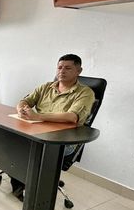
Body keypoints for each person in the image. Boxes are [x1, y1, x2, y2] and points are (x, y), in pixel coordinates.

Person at [12, 53, 95, 200]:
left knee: (24, 147)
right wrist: (21, 109)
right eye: (59, 67)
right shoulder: (45, 87)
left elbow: (72, 116)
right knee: (10, 139)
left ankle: (26, 189)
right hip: (38, 132)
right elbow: (25, 101)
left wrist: (38, 116)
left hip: (62, 140)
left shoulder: (85, 92)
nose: (62, 71)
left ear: (79, 71)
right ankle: (20, 180)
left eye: (67, 68)